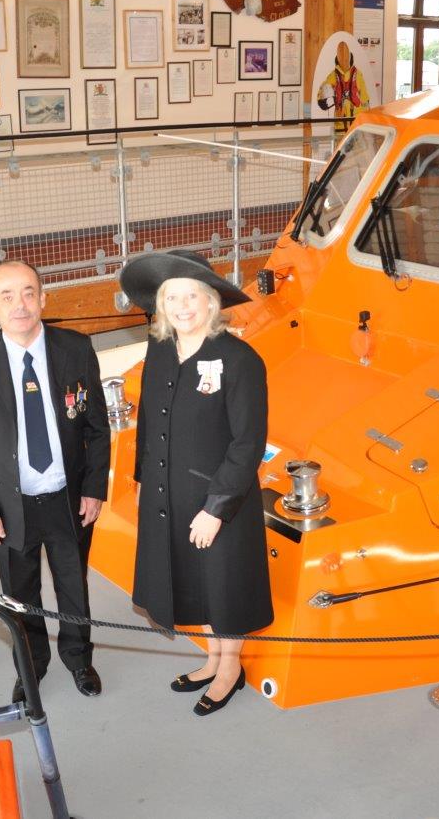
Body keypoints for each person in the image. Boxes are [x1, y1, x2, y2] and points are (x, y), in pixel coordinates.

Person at [119, 250, 273, 717]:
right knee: (193, 582)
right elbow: (148, 417)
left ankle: (231, 668)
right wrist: (144, 476)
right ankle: (212, 659)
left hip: (219, 500)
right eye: (172, 297)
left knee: (223, 587)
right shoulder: (161, 349)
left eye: (191, 296)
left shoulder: (240, 359)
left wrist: (216, 509)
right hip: (169, 492)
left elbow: (248, 443)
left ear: (211, 301)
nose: (182, 306)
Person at [0, 260, 110, 702]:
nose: (19, 304)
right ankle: (31, 666)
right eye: (6, 295)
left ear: (43, 298)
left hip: (68, 498)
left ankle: (79, 660)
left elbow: (97, 427)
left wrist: (95, 487)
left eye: (27, 293)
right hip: (8, 507)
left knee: (73, 586)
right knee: (20, 596)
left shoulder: (76, 348)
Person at [317, 41, 371, 134]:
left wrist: (367, 117)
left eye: (346, 58)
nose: (344, 60)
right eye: (342, 58)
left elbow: (365, 98)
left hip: (356, 121)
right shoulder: (333, 75)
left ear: (350, 58)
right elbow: (323, 89)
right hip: (340, 122)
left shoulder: (357, 74)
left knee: (355, 147)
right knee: (341, 146)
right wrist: (322, 100)